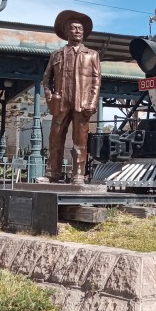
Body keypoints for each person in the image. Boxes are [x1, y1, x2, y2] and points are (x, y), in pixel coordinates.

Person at [42, 10, 101, 185]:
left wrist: (92, 102)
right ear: (66, 32)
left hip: (81, 103)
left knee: (80, 140)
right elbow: (46, 80)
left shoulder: (92, 54)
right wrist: (50, 97)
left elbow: (96, 81)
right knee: (55, 138)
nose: (77, 31)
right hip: (60, 103)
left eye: (80, 29)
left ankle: (78, 175)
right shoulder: (56, 55)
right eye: (74, 28)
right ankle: (52, 173)